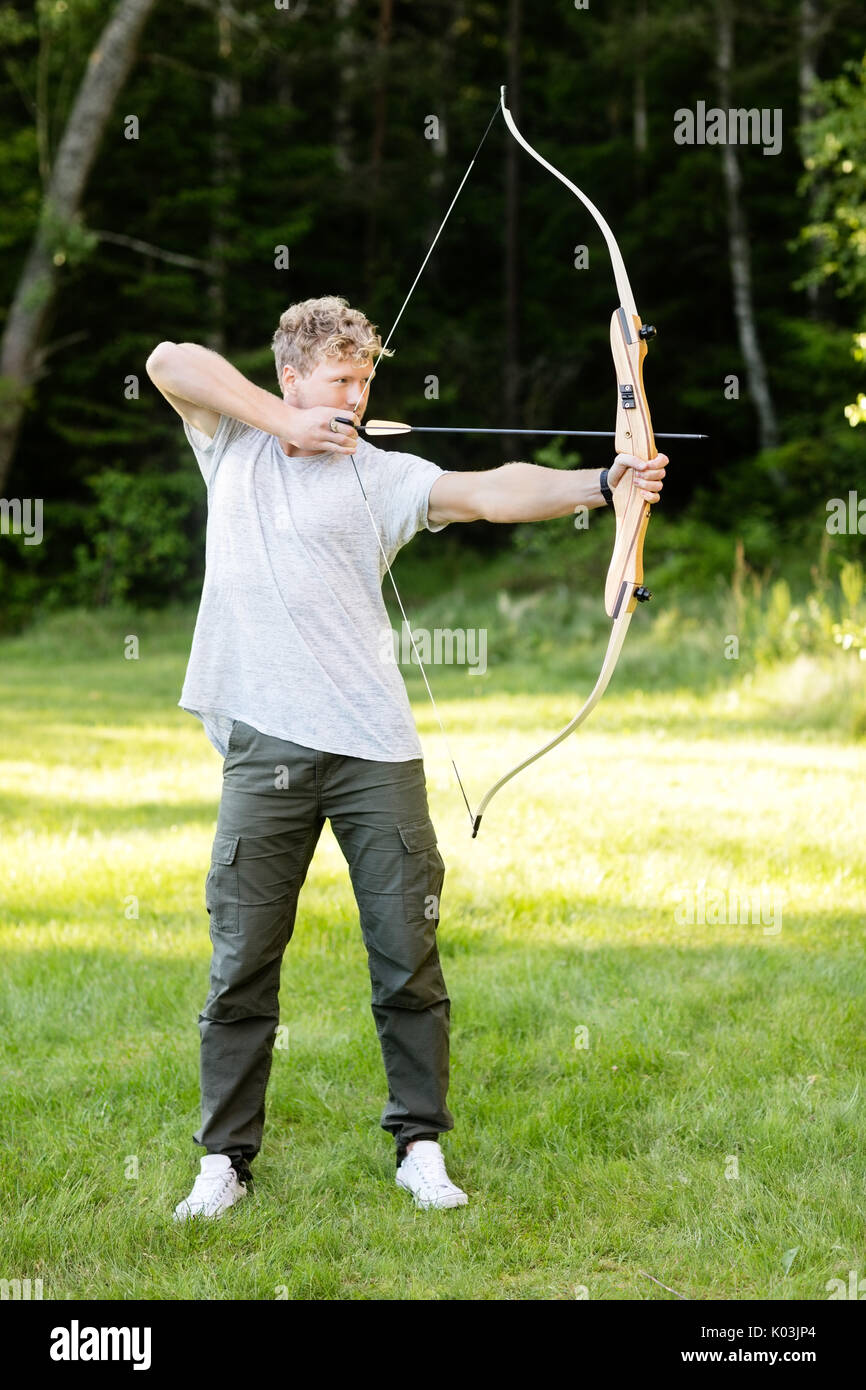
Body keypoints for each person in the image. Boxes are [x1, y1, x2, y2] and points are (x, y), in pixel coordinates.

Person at [144, 295, 667, 1219]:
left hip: (375, 749)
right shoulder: (233, 442)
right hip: (264, 746)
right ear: (292, 376)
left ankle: (419, 1145)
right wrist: (289, 424)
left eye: (364, 381)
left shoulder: (381, 473)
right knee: (242, 964)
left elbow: (489, 489)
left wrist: (605, 482)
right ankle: (223, 1160)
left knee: (407, 957)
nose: (353, 396)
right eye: (337, 381)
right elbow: (168, 357)